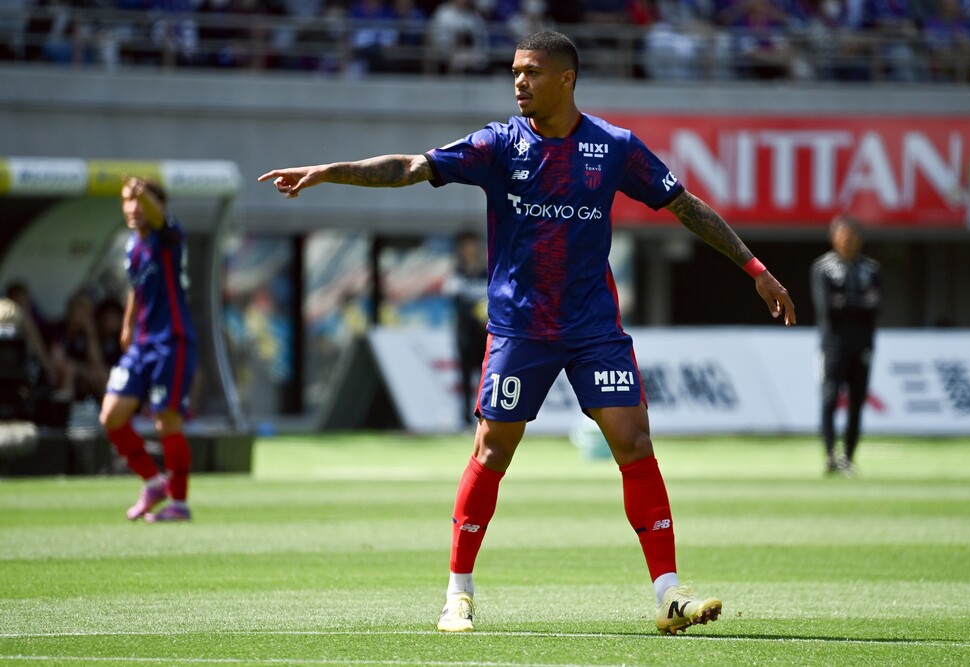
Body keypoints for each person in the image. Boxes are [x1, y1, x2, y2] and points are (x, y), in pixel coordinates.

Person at [258, 30, 796, 635]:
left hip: (593, 328)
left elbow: (684, 205)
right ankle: (457, 594)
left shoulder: (614, 147)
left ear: (566, 78)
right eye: (515, 71)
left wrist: (756, 270)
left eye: (532, 71)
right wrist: (330, 172)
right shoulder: (497, 144)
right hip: (521, 328)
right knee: (492, 450)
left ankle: (668, 595)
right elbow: (411, 166)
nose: (519, 81)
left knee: (634, 441)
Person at [98, 177, 199, 523]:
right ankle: (154, 484)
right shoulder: (132, 246)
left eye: (140, 200)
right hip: (142, 344)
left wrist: (144, 194)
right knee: (111, 416)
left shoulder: (168, 235)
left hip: (172, 341)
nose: (133, 207)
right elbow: (135, 287)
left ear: (158, 206)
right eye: (127, 200)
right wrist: (128, 324)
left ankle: (179, 504)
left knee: (166, 421)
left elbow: (159, 219)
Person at [810, 214, 881, 476]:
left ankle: (848, 456)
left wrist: (845, 302)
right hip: (832, 345)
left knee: (857, 401)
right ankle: (830, 454)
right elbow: (827, 308)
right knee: (829, 398)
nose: (848, 241)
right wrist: (861, 303)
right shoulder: (823, 268)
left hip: (862, 345)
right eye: (844, 236)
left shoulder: (871, 269)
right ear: (834, 238)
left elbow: (878, 306)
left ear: (860, 239)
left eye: (853, 237)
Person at [443, 230, 489, 427]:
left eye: (473, 245)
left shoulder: (486, 272)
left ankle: (485, 416)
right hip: (465, 334)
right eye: (466, 245)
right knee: (465, 374)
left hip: (484, 333)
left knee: (485, 375)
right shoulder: (456, 273)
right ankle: (464, 419)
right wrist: (475, 311)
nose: (471, 250)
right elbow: (456, 300)